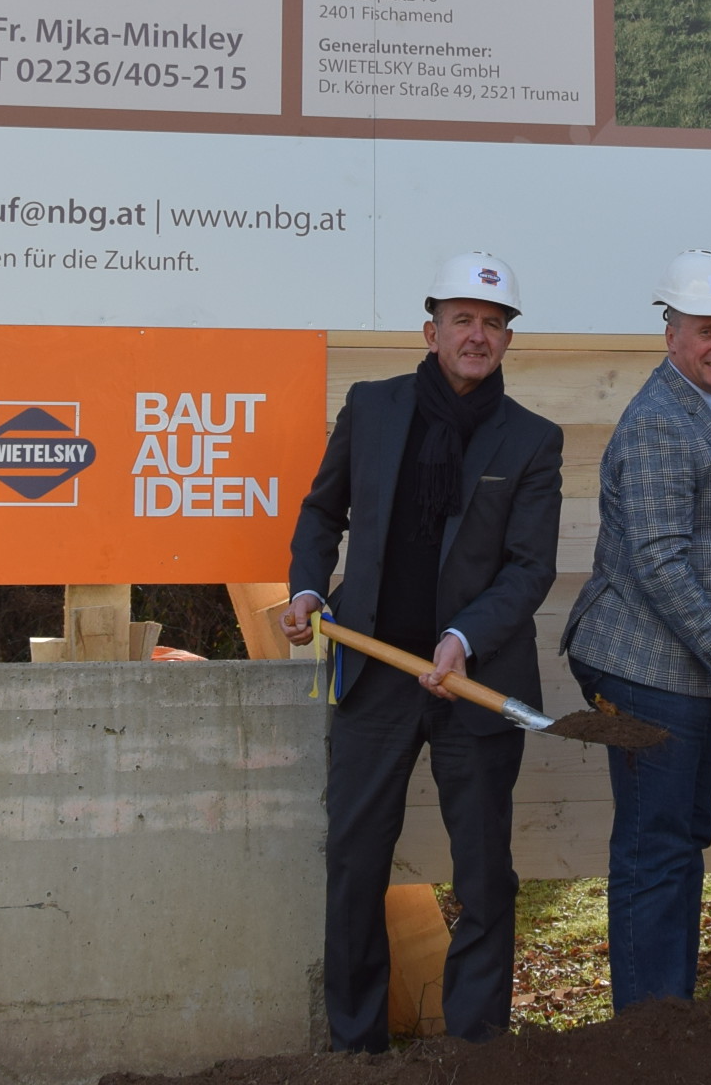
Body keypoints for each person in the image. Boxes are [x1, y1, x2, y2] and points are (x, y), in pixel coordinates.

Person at [282, 254, 564, 1052]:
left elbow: (529, 567)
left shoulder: (534, 440)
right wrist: (307, 589)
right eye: (464, 320)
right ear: (430, 329)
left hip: (474, 680)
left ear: (508, 339)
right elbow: (320, 511)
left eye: (494, 324)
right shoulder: (371, 409)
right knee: (355, 860)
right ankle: (357, 1045)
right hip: (373, 673)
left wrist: (462, 638)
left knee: (482, 873)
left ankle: (476, 1046)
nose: (479, 336)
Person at [560, 250, 711, 1008]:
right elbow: (659, 563)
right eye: (706, 330)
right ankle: (647, 1032)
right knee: (655, 849)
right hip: (646, 665)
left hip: (688, 662)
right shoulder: (657, 422)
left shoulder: (710, 404)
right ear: (671, 332)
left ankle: (669, 1016)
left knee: (681, 839)